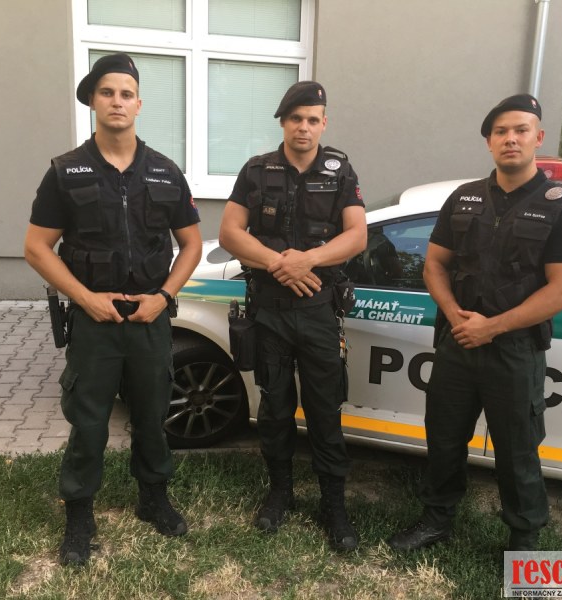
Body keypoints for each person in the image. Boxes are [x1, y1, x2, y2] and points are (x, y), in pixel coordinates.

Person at [388, 94, 562, 552]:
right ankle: (436, 519)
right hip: (458, 342)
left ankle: (523, 539)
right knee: (444, 438)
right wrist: (455, 314)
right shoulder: (464, 198)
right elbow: (435, 265)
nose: (510, 139)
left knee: (517, 449)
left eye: (521, 130)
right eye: (501, 131)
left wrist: (492, 327)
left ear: (538, 138)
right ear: (489, 141)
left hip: (515, 350)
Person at [24, 53, 202, 566]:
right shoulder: (65, 171)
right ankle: (79, 513)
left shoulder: (165, 171)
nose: (117, 102)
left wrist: (163, 297)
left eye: (126, 94)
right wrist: (85, 298)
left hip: (149, 319)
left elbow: (191, 244)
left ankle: (154, 498)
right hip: (94, 322)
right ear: (93, 102)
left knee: (152, 415)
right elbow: (36, 247)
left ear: (139, 104)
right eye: (107, 92)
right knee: (89, 423)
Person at [218, 81, 367, 551]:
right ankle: (280, 492)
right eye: (296, 118)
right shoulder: (256, 170)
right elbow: (230, 233)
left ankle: (333, 504)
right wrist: (279, 264)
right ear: (283, 122)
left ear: (324, 123)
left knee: (325, 410)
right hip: (270, 313)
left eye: (313, 119)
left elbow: (357, 235)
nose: (304, 127)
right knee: (275, 408)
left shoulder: (340, 170)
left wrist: (309, 260)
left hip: (319, 312)